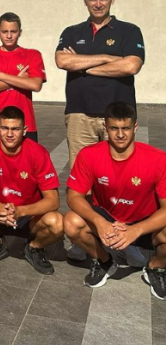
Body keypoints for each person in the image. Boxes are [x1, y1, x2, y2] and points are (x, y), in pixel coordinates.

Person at [55, 0, 146, 261]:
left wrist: (83, 65)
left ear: (112, 0)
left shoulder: (129, 31)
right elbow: (62, 61)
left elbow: (131, 65)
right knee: (81, 181)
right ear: (85, 1)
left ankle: (123, 236)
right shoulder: (72, 32)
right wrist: (108, 58)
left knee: (119, 181)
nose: (98, 3)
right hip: (79, 115)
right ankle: (87, 234)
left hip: (116, 118)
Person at [65, 102, 166, 299]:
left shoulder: (158, 159)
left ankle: (156, 267)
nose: (120, 134)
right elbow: (73, 196)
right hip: (108, 220)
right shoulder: (89, 155)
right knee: (71, 222)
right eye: (114, 128)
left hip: (144, 223)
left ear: (135, 127)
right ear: (105, 127)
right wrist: (100, 222)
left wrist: (136, 230)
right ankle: (104, 261)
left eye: (125, 128)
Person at [0, 106, 63, 274]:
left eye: (15, 129)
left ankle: (34, 247)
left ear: (25, 130)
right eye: (5, 128)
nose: (9, 134)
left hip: (27, 215)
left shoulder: (38, 153)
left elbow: (53, 200)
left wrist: (20, 211)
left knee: (57, 222)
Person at [0, 12, 46, 142]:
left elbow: (35, 85)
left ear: (20, 32)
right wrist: (19, 79)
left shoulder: (32, 55)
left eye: (13, 31)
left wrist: (1, 76)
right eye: (5, 32)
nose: (9, 36)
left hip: (24, 123)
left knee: (27, 156)